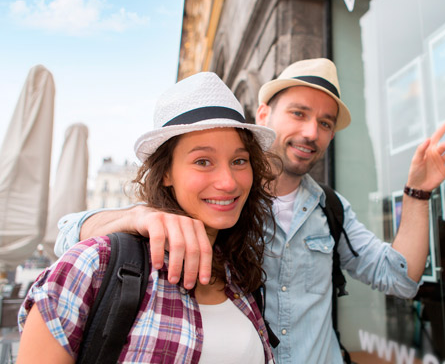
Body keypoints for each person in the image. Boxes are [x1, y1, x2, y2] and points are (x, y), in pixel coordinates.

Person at [55, 58, 445, 363]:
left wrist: (417, 194)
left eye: (326, 122)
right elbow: (69, 234)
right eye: (299, 113)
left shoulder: (331, 209)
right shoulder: (220, 205)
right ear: (263, 116)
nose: (311, 132)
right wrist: (137, 215)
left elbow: (400, 278)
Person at [18, 72, 278, 363]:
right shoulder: (95, 264)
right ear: (166, 172)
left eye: (239, 161)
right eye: (203, 161)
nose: (228, 182)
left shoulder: (238, 272)